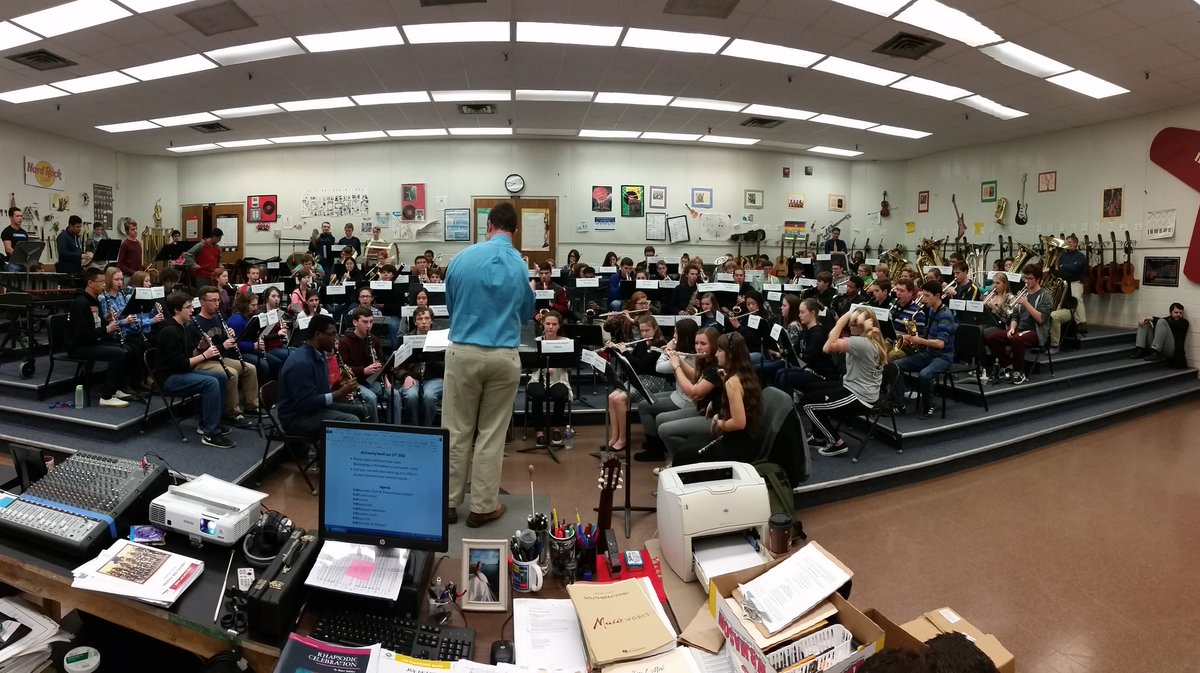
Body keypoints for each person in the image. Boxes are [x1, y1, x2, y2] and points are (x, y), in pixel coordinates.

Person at [444, 202, 534, 528]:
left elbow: (451, 305)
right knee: (491, 434)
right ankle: (482, 506)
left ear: (489, 225)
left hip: (463, 351)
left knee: (456, 429)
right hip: (503, 355)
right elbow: (525, 315)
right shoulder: (521, 267)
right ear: (515, 230)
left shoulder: (462, 258)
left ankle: (448, 503)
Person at [669, 333, 763, 467]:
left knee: (683, 454)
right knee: (691, 442)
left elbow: (739, 423)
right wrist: (716, 402)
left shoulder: (733, 382)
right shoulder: (745, 375)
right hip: (747, 441)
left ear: (730, 354)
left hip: (737, 448)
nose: (716, 354)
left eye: (719, 350)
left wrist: (719, 423)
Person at [153, 290, 233, 448]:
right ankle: (211, 434)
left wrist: (200, 348)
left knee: (221, 376)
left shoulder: (182, 326)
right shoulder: (170, 331)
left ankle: (208, 423)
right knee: (211, 383)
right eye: (188, 307)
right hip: (168, 378)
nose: (192, 310)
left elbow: (189, 355)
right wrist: (205, 355)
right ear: (177, 310)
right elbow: (180, 364)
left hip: (181, 372)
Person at [801, 307, 886, 456]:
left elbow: (827, 347)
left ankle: (837, 443)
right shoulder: (872, 338)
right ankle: (819, 437)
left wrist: (844, 318)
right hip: (854, 386)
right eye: (849, 323)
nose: (849, 326)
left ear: (861, 327)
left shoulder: (860, 343)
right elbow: (832, 338)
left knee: (808, 404)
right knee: (811, 388)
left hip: (860, 395)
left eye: (853, 324)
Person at [277, 314, 363, 435]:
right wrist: (339, 393)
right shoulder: (301, 363)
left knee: (362, 410)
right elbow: (305, 404)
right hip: (296, 417)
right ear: (318, 335)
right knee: (352, 420)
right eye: (331, 334)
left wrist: (337, 385)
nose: (335, 339)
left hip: (313, 410)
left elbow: (320, 392)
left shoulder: (319, 354)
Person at [188, 285, 259, 426]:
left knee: (250, 369)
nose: (217, 304)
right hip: (203, 362)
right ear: (202, 302)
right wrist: (223, 346)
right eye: (213, 300)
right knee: (231, 374)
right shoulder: (194, 324)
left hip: (221, 357)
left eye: (218, 300)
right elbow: (194, 352)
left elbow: (222, 342)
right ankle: (232, 413)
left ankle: (251, 405)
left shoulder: (218, 318)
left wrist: (230, 337)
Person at [652, 327, 724, 464]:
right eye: (696, 343)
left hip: (714, 417)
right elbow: (695, 376)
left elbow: (693, 392)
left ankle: (683, 461)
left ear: (714, 345)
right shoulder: (706, 360)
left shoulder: (715, 368)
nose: (698, 347)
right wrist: (678, 359)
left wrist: (676, 366)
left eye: (703, 344)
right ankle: (674, 459)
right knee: (661, 418)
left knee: (665, 430)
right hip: (703, 409)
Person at [890, 281, 956, 419]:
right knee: (895, 366)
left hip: (943, 357)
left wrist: (920, 341)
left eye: (927, 296)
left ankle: (929, 406)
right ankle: (899, 405)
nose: (923, 299)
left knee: (924, 375)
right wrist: (913, 337)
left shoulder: (945, 315)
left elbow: (940, 344)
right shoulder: (931, 310)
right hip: (929, 353)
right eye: (923, 295)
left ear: (937, 296)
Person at [605, 315, 669, 453]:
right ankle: (615, 437)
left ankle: (623, 439)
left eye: (647, 330)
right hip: (638, 378)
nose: (644, 334)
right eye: (642, 331)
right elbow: (631, 363)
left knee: (620, 399)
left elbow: (642, 365)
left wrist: (625, 353)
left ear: (655, 328)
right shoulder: (641, 342)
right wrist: (614, 350)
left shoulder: (660, 344)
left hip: (653, 380)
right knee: (611, 397)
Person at [985, 264, 1052, 385]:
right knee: (992, 338)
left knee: (1017, 339)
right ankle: (1008, 364)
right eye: (1025, 278)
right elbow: (1015, 315)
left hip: (1035, 332)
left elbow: (1041, 319)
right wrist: (1012, 328)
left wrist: (1026, 304)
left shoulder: (1045, 296)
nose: (1026, 281)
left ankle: (1019, 372)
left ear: (1038, 279)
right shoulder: (1024, 294)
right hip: (1019, 329)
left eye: (1030, 278)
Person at [772, 297, 838, 396]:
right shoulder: (805, 331)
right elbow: (795, 351)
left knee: (784, 376)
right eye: (799, 312)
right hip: (808, 369)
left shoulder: (818, 334)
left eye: (802, 312)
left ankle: (790, 403)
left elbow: (808, 359)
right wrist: (782, 352)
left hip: (820, 373)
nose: (799, 315)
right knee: (780, 372)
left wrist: (795, 357)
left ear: (812, 313)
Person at [527, 310, 573, 447]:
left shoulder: (566, 342)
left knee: (559, 394)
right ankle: (539, 433)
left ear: (559, 326)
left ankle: (557, 429)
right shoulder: (536, 341)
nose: (550, 327)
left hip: (559, 379)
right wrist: (541, 365)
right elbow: (530, 367)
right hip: (538, 379)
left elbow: (569, 367)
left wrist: (557, 364)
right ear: (543, 324)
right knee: (537, 394)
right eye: (548, 324)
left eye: (554, 324)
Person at [396, 306, 444, 425]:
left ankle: (426, 429)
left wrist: (431, 356)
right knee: (411, 396)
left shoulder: (440, 339)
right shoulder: (406, 339)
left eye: (427, 318)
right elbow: (396, 366)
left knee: (429, 396)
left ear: (431, 321)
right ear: (414, 322)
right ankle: (414, 428)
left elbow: (447, 367)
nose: (423, 322)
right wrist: (405, 376)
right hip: (413, 378)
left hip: (435, 378)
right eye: (420, 319)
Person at [335, 307, 383, 423]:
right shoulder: (344, 342)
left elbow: (382, 360)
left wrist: (380, 367)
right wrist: (363, 370)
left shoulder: (374, 340)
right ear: (355, 322)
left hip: (371, 381)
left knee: (394, 394)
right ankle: (374, 429)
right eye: (365, 322)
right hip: (354, 382)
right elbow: (343, 367)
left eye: (371, 322)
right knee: (371, 398)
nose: (369, 326)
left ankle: (395, 429)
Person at [227, 291, 275, 382]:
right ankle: (262, 386)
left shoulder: (249, 316)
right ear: (245, 305)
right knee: (264, 365)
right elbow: (235, 343)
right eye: (253, 305)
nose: (255, 308)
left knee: (274, 361)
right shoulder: (237, 320)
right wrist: (253, 345)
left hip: (248, 349)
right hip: (238, 353)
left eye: (256, 305)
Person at [1131, 303, 1188, 367]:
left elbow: (1172, 324)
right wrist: (1147, 319)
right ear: (1170, 312)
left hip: (1171, 351)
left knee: (1161, 321)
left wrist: (1152, 318)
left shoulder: (1184, 323)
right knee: (1145, 323)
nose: (1178, 315)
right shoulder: (1166, 320)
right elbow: (1162, 322)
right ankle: (1140, 349)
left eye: (1180, 313)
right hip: (1159, 348)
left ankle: (1156, 351)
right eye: (1176, 312)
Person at [1, 207, 28, 271]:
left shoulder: (24, 232)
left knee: (37, 267)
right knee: (12, 268)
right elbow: (8, 249)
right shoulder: (7, 231)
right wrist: (21, 257)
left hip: (24, 262)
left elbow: (27, 248)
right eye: (17, 216)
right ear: (11, 217)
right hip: (13, 263)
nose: (20, 218)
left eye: (21, 216)